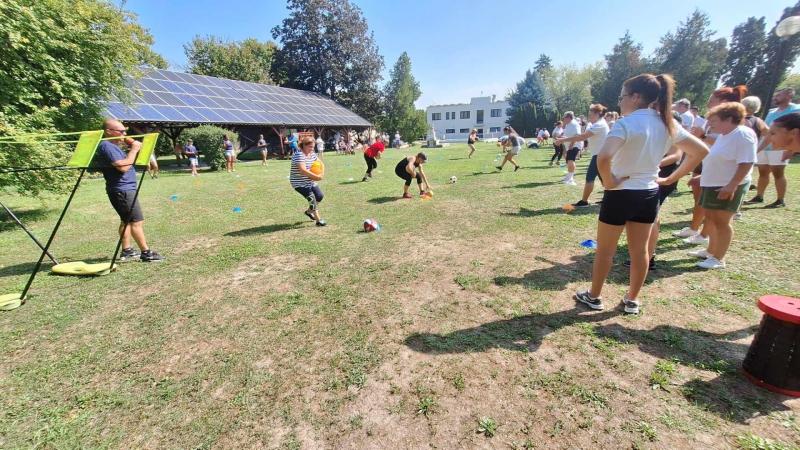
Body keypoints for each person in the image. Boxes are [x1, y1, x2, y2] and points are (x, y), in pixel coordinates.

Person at [573, 74, 707, 315]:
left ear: (635, 97)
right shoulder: (667, 123)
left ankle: (594, 296)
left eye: (622, 96)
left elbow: (604, 157)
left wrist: (610, 182)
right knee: (641, 251)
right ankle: (632, 299)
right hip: (648, 194)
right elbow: (700, 151)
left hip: (620, 194)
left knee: (605, 251)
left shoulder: (626, 123)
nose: (620, 102)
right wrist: (670, 178)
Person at [680, 102, 756, 269]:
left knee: (722, 222)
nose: (709, 124)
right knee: (712, 219)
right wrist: (702, 177)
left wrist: (731, 186)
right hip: (714, 183)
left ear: (728, 119)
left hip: (726, 186)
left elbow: (746, 163)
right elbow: (721, 160)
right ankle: (710, 251)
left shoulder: (742, 134)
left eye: (713, 120)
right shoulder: (724, 135)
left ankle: (719, 258)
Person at [674, 86, 747, 244]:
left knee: (717, 214)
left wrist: (702, 136)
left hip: (721, 172)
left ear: (724, 102)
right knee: (702, 201)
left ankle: (706, 237)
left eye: (712, 100)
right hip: (708, 164)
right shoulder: (714, 120)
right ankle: (697, 230)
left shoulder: (736, 128)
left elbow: (735, 152)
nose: (708, 103)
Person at [94, 119, 164, 262]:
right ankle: (146, 253)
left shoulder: (113, 145)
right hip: (123, 190)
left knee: (125, 221)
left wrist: (133, 146)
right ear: (109, 132)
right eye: (121, 131)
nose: (125, 134)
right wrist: (134, 149)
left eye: (125, 131)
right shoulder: (106, 145)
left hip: (123, 189)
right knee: (136, 221)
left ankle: (127, 251)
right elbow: (123, 167)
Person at [744, 87, 800, 208]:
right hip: (770, 147)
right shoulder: (772, 112)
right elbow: (768, 133)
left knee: (778, 173)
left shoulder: (797, 109)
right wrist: (757, 150)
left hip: (781, 149)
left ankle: (780, 199)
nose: (775, 97)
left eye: (779, 95)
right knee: (763, 172)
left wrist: (790, 151)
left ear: (788, 96)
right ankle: (759, 196)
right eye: (775, 95)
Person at [557, 104, 610, 206]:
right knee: (603, 178)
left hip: (599, 155)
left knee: (590, 177)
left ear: (597, 114)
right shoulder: (598, 124)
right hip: (600, 155)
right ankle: (608, 198)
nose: (589, 117)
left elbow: (582, 137)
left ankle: (584, 201)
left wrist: (563, 140)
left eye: (591, 114)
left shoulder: (599, 125)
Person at [290, 136, 326, 226]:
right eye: (310, 147)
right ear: (303, 145)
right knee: (311, 198)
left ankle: (309, 212)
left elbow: (321, 163)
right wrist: (316, 177)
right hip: (299, 183)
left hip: (310, 181)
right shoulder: (299, 155)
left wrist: (321, 174)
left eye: (313, 147)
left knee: (319, 196)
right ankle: (318, 221)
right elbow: (303, 170)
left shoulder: (312, 154)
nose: (312, 149)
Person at [559, 111, 583, 185]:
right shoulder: (568, 124)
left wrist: (572, 144)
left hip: (575, 145)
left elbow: (577, 135)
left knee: (570, 160)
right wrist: (562, 138)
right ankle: (569, 177)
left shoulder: (574, 124)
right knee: (569, 160)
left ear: (569, 117)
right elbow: (568, 135)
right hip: (570, 145)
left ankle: (570, 179)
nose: (563, 119)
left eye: (564, 117)